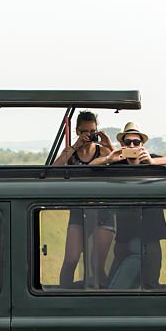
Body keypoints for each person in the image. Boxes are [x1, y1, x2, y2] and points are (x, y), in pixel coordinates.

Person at [93, 123, 166, 289]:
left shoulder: (152, 161)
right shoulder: (117, 165)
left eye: (136, 142)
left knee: (151, 280)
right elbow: (90, 167)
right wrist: (108, 158)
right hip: (125, 230)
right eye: (128, 142)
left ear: (142, 145)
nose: (132, 146)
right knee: (120, 275)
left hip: (152, 229)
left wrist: (151, 162)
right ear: (122, 145)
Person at [53, 112, 117, 287]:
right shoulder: (71, 154)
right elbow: (53, 170)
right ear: (77, 131)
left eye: (92, 131)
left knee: (97, 265)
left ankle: (104, 299)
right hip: (78, 210)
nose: (89, 135)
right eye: (85, 132)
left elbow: (120, 164)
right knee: (71, 259)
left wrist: (108, 144)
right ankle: (62, 296)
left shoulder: (103, 151)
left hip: (104, 210)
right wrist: (75, 146)